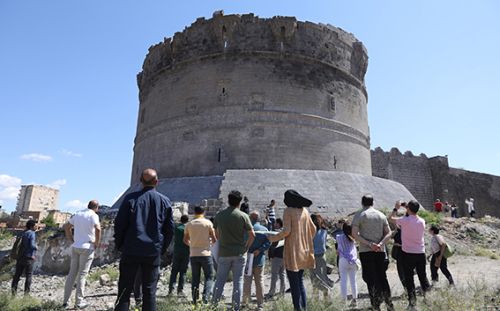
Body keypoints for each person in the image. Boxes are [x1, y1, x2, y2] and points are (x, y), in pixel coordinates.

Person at [114, 168, 174, 311]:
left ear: (141, 181)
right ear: (156, 182)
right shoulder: (164, 201)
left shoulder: (130, 199)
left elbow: (120, 224)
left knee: (124, 291)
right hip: (152, 252)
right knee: (149, 291)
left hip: (131, 249)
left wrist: (120, 245)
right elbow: (169, 229)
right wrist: (162, 248)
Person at [268, 190, 316, 311]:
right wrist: (304, 239)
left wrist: (272, 238)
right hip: (304, 251)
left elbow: (286, 231)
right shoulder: (305, 211)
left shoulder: (288, 211)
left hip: (293, 252)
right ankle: (304, 308)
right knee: (299, 282)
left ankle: (297, 309)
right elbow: (313, 229)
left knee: (294, 284)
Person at [212, 190, 255, 311]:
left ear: (228, 200)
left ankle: (214, 305)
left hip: (224, 252)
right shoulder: (243, 216)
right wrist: (246, 247)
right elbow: (252, 235)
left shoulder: (220, 215)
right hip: (240, 252)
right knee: (238, 281)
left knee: (220, 280)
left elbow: (215, 233)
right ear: (239, 202)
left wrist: (221, 241)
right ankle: (236, 308)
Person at [352, 194, 394, 311]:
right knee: (382, 277)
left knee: (370, 279)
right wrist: (380, 244)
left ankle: (376, 306)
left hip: (366, 251)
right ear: (373, 202)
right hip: (380, 251)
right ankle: (389, 304)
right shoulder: (381, 215)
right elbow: (389, 233)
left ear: (362, 202)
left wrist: (370, 244)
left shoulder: (360, 215)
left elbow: (354, 234)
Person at [390, 200, 431, 309]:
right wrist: (407, 208)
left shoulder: (405, 221)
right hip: (421, 253)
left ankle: (412, 304)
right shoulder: (422, 221)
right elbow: (412, 215)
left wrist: (396, 208)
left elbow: (390, 218)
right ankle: (429, 299)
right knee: (423, 277)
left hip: (408, 254)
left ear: (408, 209)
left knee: (409, 279)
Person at [62, 200, 101, 309]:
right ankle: (79, 302)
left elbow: (66, 226)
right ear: (96, 207)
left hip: (76, 246)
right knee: (82, 275)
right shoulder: (94, 215)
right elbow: (98, 229)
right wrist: (97, 243)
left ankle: (65, 302)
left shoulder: (78, 213)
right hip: (87, 247)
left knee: (72, 274)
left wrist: (71, 238)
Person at [184, 206, 217, 305]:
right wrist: (208, 244)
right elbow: (214, 239)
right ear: (204, 212)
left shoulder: (189, 224)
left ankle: (195, 300)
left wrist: (193, 244)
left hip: (193, 254)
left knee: (195, 278)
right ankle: (205, 298)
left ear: (194, 212)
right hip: (206, 254)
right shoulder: (208, 223)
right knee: (209, 276)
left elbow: (185, 240)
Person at [242, 211, 270, 310]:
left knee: (246, 282)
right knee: (260, 282)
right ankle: (260, 305)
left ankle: (245, 303)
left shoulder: (245, 229)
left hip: (248, 260)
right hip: (259, 260)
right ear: (258, 218)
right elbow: (268, 243)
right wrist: (260, 249)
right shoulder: (264, 229)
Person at [309, 214, 333, 299]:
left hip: (313, 256)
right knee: (322, 277)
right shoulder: (324, 230)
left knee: (314, 278)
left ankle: (325, 290)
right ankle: (323, 299)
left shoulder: (311, 231)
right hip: (322, 256)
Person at [11, 219, 37, 296]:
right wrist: (36, 247)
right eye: (35, 225)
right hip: (28, 258)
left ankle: (13, 294)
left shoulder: (23, 233)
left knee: (17, 276)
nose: (36, 226)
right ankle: (26, 295)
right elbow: (32, 245)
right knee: (28, 276)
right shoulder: (32, 233)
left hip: (20, 257)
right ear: (32, 226)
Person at [336, 222, 359, 307]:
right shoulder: (354, 237)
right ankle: (355, 300)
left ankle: (343, 301)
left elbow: (338, 249)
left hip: (343, 260)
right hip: (353, 260)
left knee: (343, 281)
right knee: (353, 281)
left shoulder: (339, 237)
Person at [168, 215, 190, 296]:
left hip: (177, 251)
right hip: (186, 251)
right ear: (187, 221)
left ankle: (171, 290)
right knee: (183, 272)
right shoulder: (188, 229)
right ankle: (180, 290)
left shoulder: (176, 228)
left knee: (174, 271)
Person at [265, 218, 286, 299]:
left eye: (276, 223)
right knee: (282, 275)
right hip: (283, 256)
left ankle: (271, 292)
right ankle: (282, 291)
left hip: (277, 257)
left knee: (274, 275)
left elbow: (271, 241)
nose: (274, 224)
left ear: (278, 224)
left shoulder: (276, 233)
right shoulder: (284, 232)